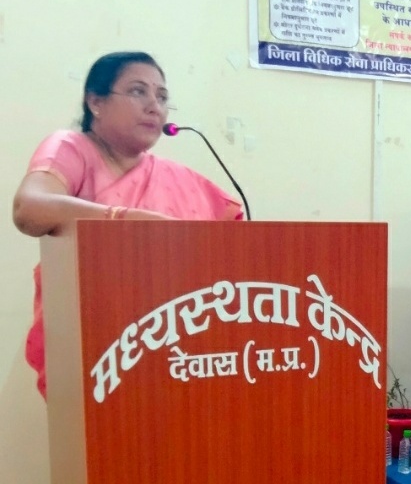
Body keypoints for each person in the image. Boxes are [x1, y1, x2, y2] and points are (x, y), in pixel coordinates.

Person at [12, 51, 243, 399]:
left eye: (162, 97)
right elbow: (28, 208)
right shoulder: (72, 148)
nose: (154, 107)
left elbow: (233, 248)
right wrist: (123, 219)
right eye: (138, 91)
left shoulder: (178, 178)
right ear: (96, 102)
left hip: (174, 345)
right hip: (95, 346)